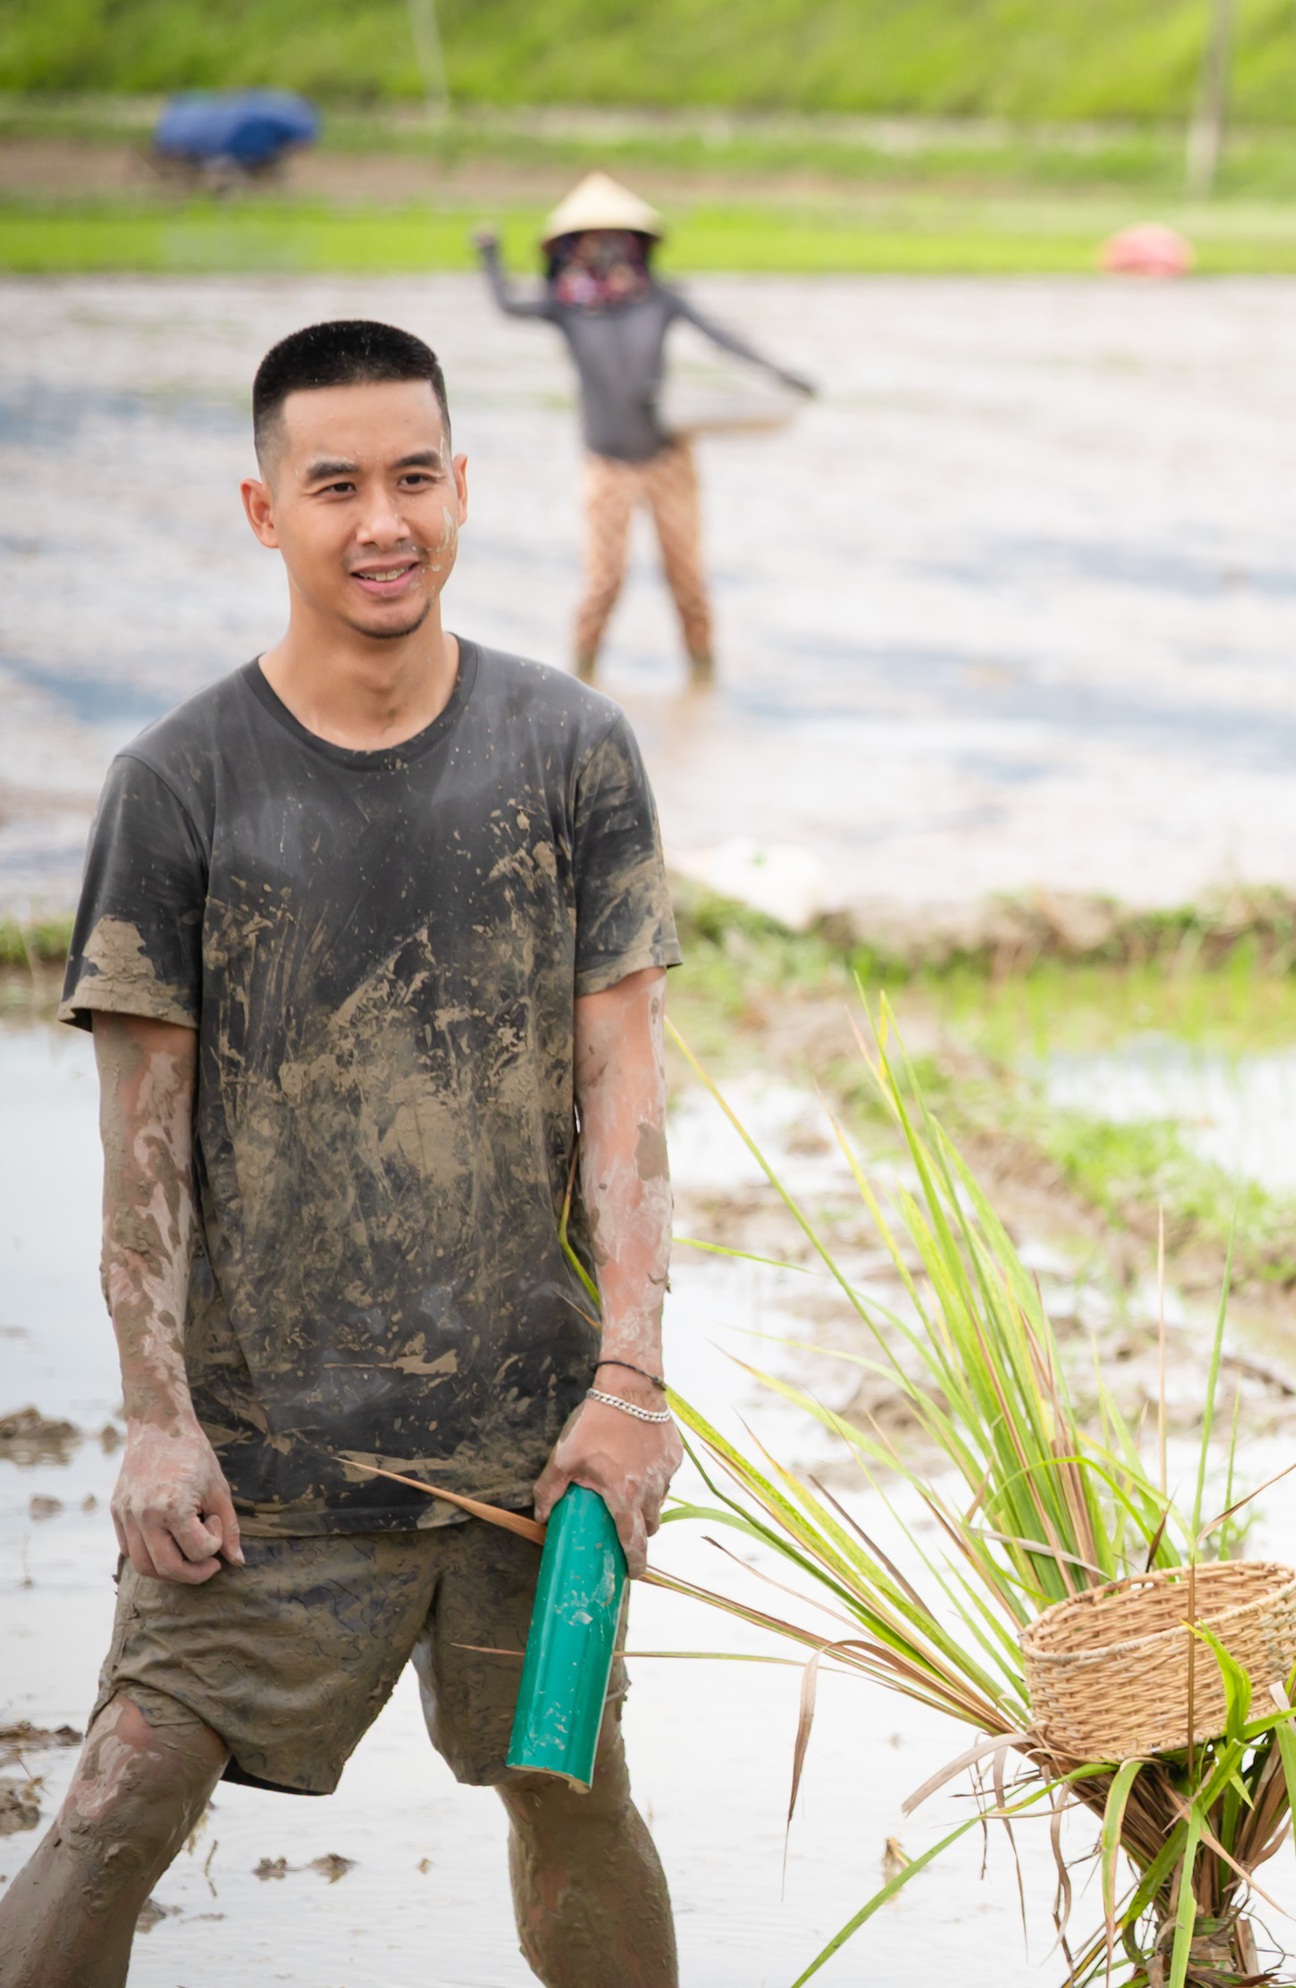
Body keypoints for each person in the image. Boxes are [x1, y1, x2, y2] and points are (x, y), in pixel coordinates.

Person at [0, 320, 685, 1988]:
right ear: (263, 510)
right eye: (337, 486)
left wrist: (634, 1381)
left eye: (416, 477)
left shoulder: (572, 753)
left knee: (571, 1783)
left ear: (463, 488)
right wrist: (157, 1423)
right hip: (267, 1461)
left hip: (529, 1450)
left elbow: (629, 1089)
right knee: (118, 1796)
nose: (384, 520)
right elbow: (142, 1159)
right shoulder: (177, 786)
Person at [476, 171, 816, 686]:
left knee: (689, 584)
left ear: (637, 245)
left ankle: (702, 682)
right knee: (603, 585)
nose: (608, 249)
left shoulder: (659, 298)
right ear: (572, 247)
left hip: (668, 459)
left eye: (618, 238)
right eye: (595, 239)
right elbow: (505, 304)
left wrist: (780, 373)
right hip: (606, 462)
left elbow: (722, 337)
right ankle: (581, 686)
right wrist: (490, 255)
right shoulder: (564, 305)